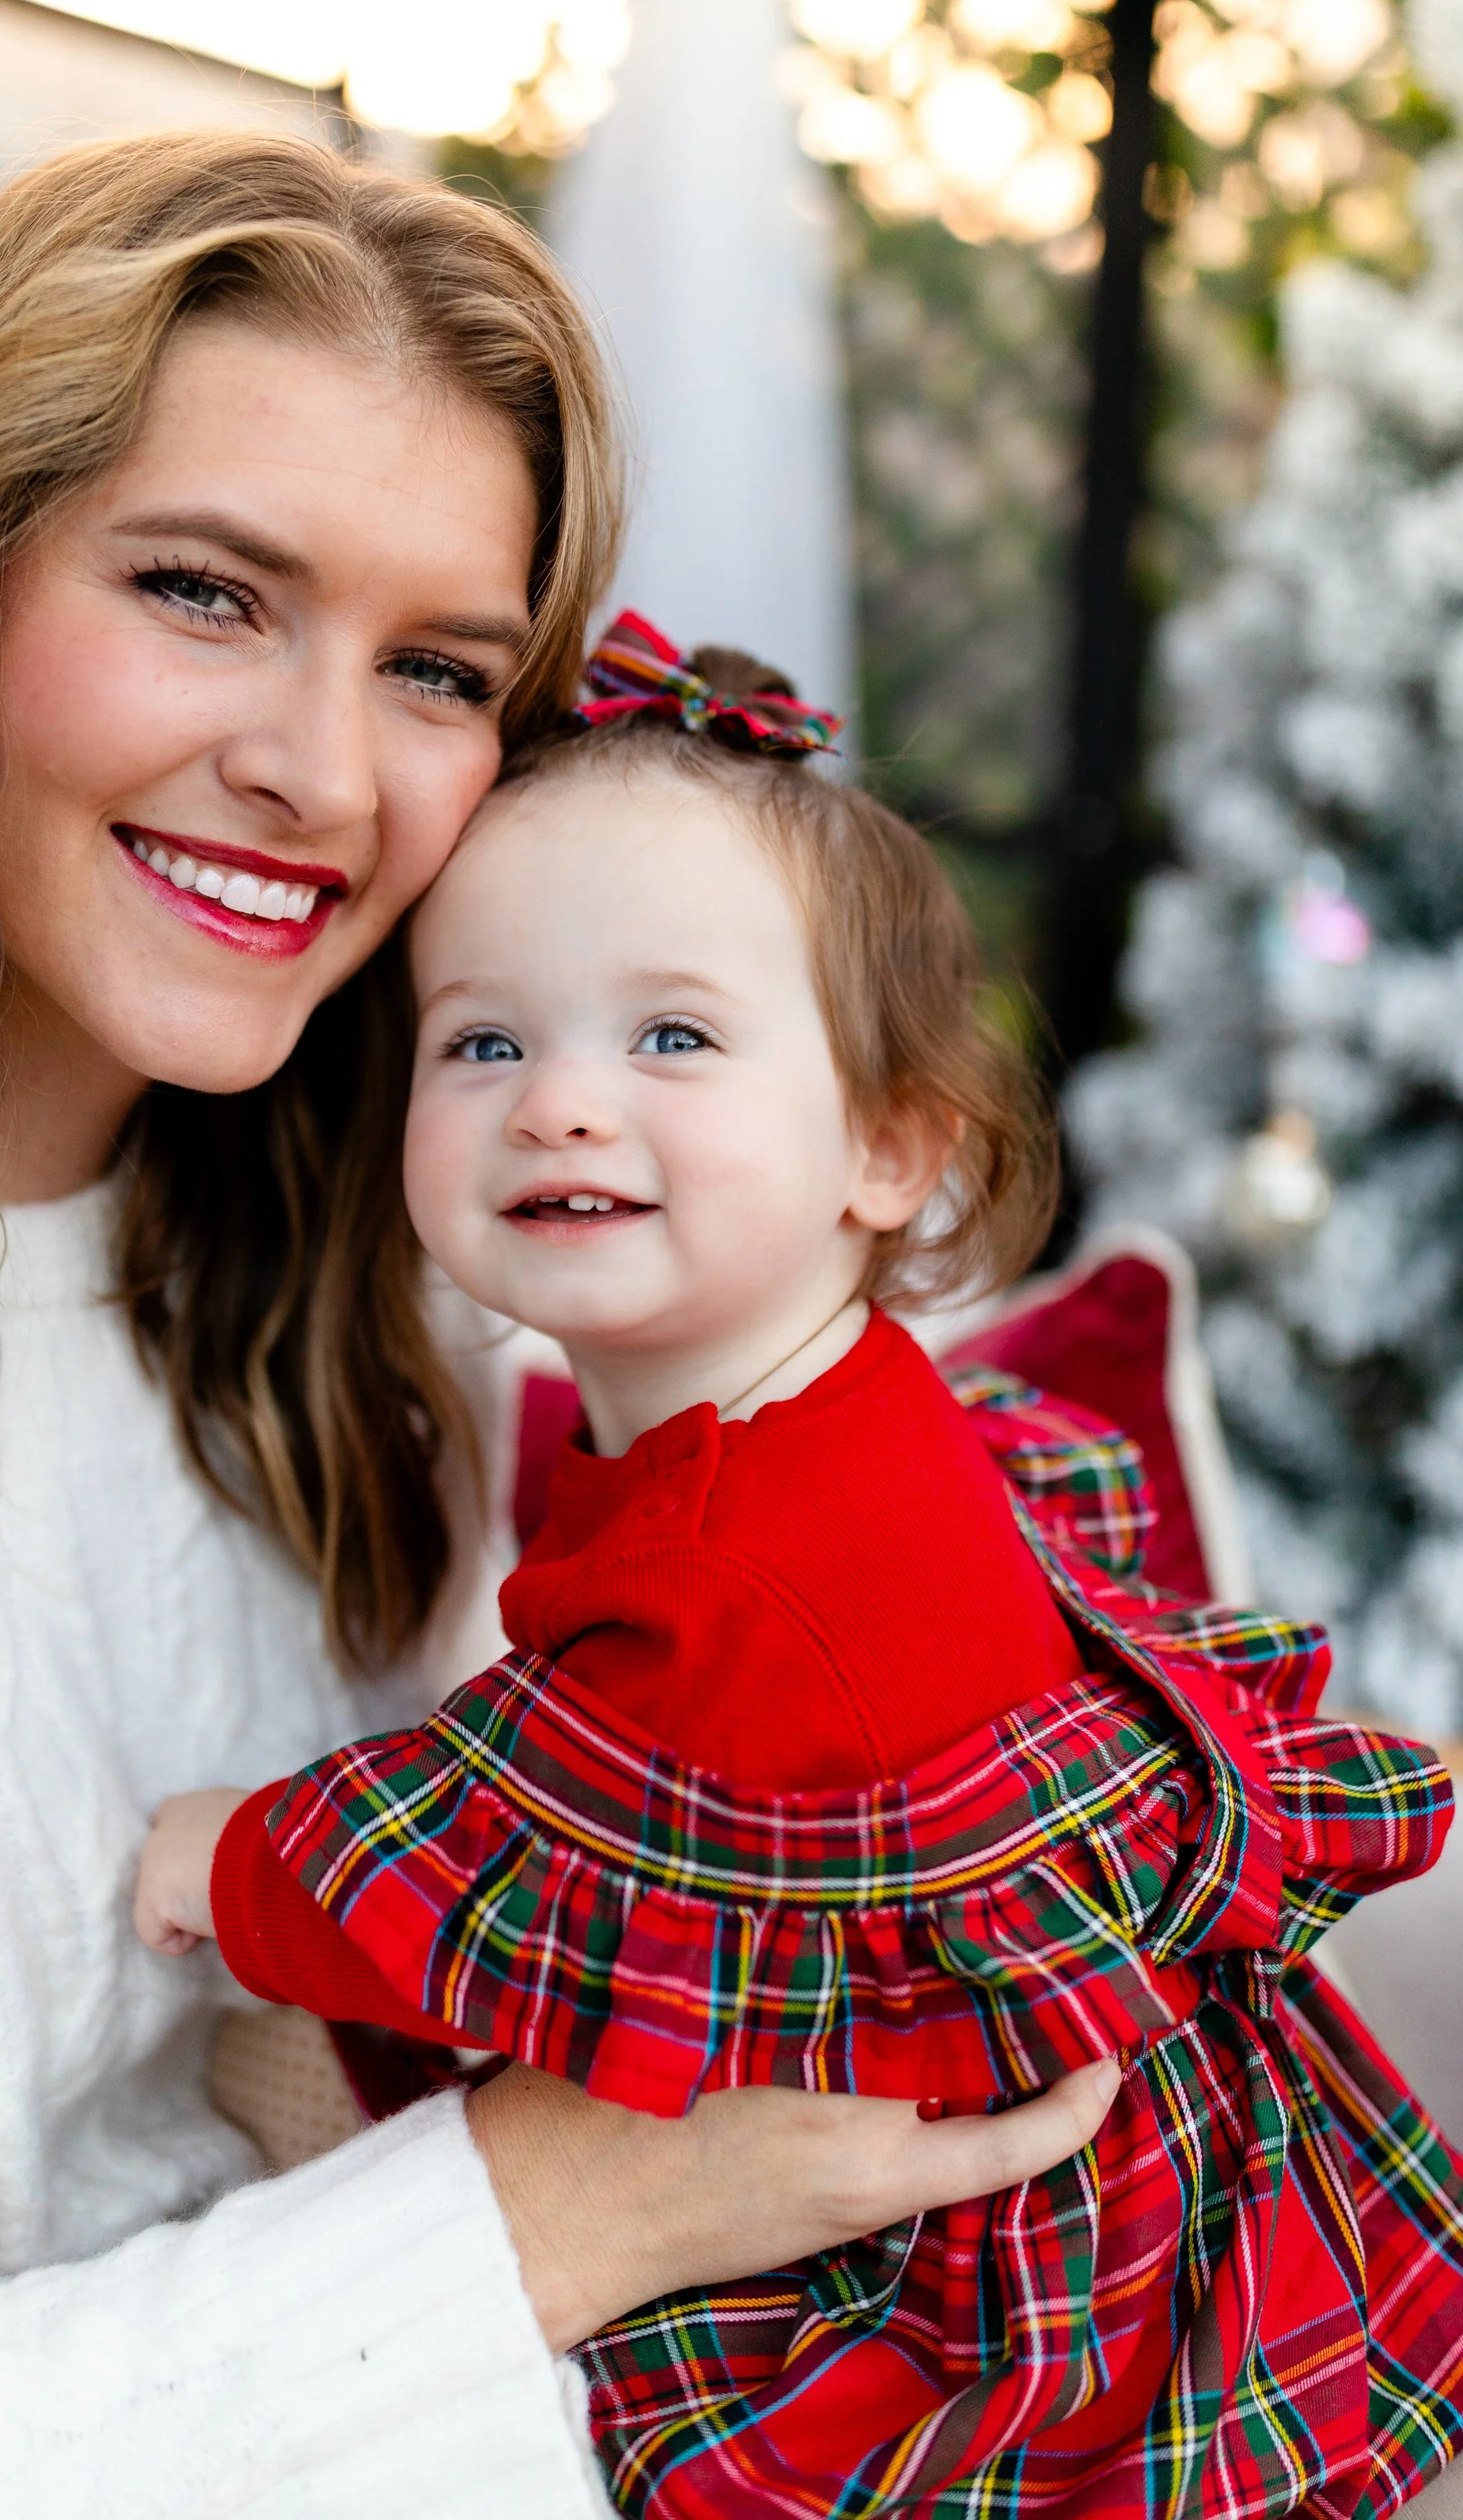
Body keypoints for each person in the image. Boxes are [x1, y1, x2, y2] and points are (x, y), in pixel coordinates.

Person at [0, 138, 1120, 2520]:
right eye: (202, 591)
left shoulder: (403, 1260)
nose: (325, 773)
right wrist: (589, 2193)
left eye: (440, 668)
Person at [135, 615, 1463, 2518]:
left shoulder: (727, 1546)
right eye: (482, 1037)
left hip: (976, 2290)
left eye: (670, 1036)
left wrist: (234, 1863)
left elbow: (518, 1836)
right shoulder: (824, 1393)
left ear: (889, 1145)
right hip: (1028, 2102)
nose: (560, 1102)